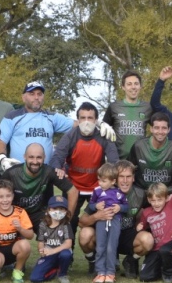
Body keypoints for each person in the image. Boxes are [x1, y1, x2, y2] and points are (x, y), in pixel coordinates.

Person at [0, 81, 114, 166]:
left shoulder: (52, 117)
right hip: (19, 172)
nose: (36, 97)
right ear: (23, 97)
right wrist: (2, 158)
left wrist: (99, 123)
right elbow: (1, 142)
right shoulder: (12, 117)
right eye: (32, 94)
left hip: (45, 173)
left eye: (39, 94)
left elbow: (79, 123)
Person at [49, 102, 119, 240]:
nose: (86, 121)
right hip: (73, 187)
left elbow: (114, 161)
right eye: (83, 118)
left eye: (90, 118)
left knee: (102, 219)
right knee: (69, 220)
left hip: (97, 187)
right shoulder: (70, 136)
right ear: (78, 120)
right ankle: (67, 253)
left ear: (96, 120)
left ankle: (97, 255)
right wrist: (58, 169)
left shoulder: (103, 136)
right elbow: (57, 156)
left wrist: (109, 179)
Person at [135, 162, 172, 283]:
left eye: (159, 200)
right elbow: (144, 226)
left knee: (165, 251)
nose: (156, 203)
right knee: (145, 277)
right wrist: (139, 227)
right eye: (153, 200)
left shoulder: (171, 206)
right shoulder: (147, 212)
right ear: (148, 200)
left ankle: (170, 273)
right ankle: (162, 267)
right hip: (156, 248)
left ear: (166, 198)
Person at [4, 143, 78, 224]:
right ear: (24, 157)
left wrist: (67, 218)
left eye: (39, 157)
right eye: (31, 157)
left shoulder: (49, 172)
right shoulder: (12, 173)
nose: (35, 161)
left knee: (56, 229)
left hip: (40, 214)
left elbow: (73, 191)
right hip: (15, 214)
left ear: (44, 157)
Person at [0, 179, 35, 283]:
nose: (5, 200)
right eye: (1, 197)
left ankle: (17, 271)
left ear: (13, 196)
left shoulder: (20, 212)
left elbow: (30, 235)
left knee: (25, 245)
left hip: (13, 249)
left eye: (8, 196)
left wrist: (20, 228)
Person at [89, 163, 129, 283]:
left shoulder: (118, 193)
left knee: (111, 247)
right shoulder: (96, 191)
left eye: (104, 181)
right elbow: (91, 205)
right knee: (100, 246)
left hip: (115, 221)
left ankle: (110, 273)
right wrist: (96, 206)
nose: (100, 183)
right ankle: (100, 272)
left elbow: (126, 206)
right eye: (99, 180)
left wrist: (120, 208)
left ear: (113, 181)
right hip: (101, 221)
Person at [128, 112, 172, 192]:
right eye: (157, 127)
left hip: (165, 195)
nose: (160, 131)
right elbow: (127, 170)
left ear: (169, 129)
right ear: (151, 129)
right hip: (141, 192)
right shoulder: (139, 146)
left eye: (164, 128)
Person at [102, 70, 152, 157]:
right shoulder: (114, 107)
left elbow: (159, 128)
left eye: (136, 84)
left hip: (140, 160)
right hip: (118, 161)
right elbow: (103, 132)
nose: (133, 87)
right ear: (123, 87)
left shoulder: (148, 107)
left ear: (140, 86)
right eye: (129, 84)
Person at [30, 196, 74, 283]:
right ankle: (56, 270)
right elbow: (41, 242)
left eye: (61, 209)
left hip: (61, 252)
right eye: (54, 208)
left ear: (66, 211)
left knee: (66, 254)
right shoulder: (43, 224)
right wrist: (41, 251)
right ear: (49, 210)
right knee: (35, 278)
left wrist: (53, 251)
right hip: (48, 254)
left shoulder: (66, 224)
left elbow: (68, 244)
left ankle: (62, 274)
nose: (58, 211)